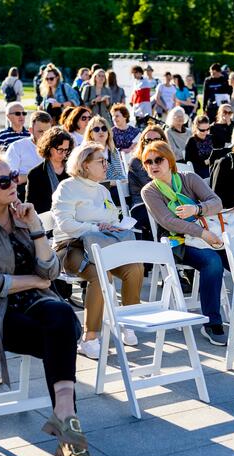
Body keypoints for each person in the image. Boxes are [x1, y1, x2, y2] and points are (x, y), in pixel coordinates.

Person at [0, 154, 93, 456]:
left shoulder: (23, 216)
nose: (13, 183)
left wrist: (34, 227)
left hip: (36, 305)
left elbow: (51, 270)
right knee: (61, 332)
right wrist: (33, 281)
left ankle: (66, 417)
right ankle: (69, 432)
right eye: (4, 181)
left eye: (13, 176)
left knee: (60, 318)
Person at [142, 141, 234, 343]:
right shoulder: (150, 191)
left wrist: (196, 210)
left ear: (169, 160)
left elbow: (217, 202)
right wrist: (201, 233)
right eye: (148, 161)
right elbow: (167, 221)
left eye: (158, 159)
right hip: (177, 241)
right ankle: (212, 322)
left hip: (212, 234)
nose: (153, 165)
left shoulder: (189, 178)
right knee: (212, 262)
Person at [51, 142, 144, 358]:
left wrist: (116, 225)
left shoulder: (102, 189)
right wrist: (97, 226)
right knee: (101, 276)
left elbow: (112, 216)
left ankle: (127, 322)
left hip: (104, 243)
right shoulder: (67, 187)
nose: (106, 165)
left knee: (135, 268)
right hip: (72, 247)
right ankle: (89, 337)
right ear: (84, 164)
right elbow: (65, 224)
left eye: (106, 160)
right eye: (101, 161)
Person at [128, 125, 167, 240]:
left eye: (156, 140)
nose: (152, 144)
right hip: (142, 205)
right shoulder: (136, 161)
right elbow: (153, 187)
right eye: (148, 140)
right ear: (142, 142)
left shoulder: (167, 159)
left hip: (164, 202)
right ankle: (166, 247)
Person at [5, 111, 53, 200]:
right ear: (30, 130)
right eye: (40, 132)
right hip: (24, 189)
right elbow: (13, 178)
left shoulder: (56, 148)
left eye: (48, 132)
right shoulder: (17, 147)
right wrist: (36, 176)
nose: (45, 136)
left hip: (51, 188)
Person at [26, 127, 73, 214]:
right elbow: (31, 204)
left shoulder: (73, 170)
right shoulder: (35, 174)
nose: (63, 154)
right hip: (46, 221)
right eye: (60, 150)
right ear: (49, 147)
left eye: (66, 150)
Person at [83, 116, 126, 182]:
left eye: (104, 128)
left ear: (108, 132)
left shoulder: (114, 151)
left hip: (118, 189)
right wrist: (113, 182)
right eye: (96, 129)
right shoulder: (87, 153)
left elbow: (121, 175)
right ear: (91, 134)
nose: (101, 131)